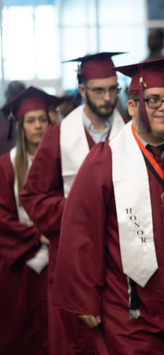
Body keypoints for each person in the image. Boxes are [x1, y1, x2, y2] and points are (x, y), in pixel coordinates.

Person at [51, 58, 164, 354]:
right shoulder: (106, 159)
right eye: (153, 100)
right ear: (134, 106)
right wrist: (84, 296)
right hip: (129, 309)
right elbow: (80, 231)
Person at [20, 52, 127, 355]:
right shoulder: (59, 135)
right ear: (82, 90)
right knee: (74, 342)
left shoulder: (131, 132)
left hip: (121, 257)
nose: (107, 98)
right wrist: (80, 210)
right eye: (98, 90)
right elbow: (34, 197)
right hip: (72, 258)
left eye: (113, 89)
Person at [0, 87, 62, 355]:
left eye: (42, 119)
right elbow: (1, 216)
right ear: (20, 125)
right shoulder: (6, 165)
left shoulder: (65, 161)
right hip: (23, 265)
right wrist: (37, 235)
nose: (38, 125)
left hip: (60, 261)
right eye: (31, 120)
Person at [0, 81, 26, 155]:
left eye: (18, 97)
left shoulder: (28, 117)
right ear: (6, 95)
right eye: (13, 96)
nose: (14, 100)